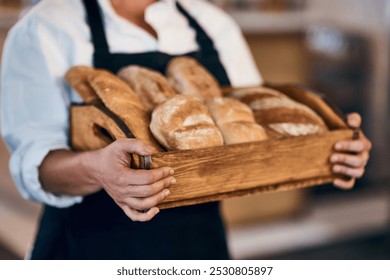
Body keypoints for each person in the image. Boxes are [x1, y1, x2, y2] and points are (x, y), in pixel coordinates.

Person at [0, 0, 371, 260]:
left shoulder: (210, 20)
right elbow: (35, 166)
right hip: (92, 245)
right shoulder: (47, 26)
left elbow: (251, 127)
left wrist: (328, 148)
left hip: (200, 245)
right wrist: (97, 168)